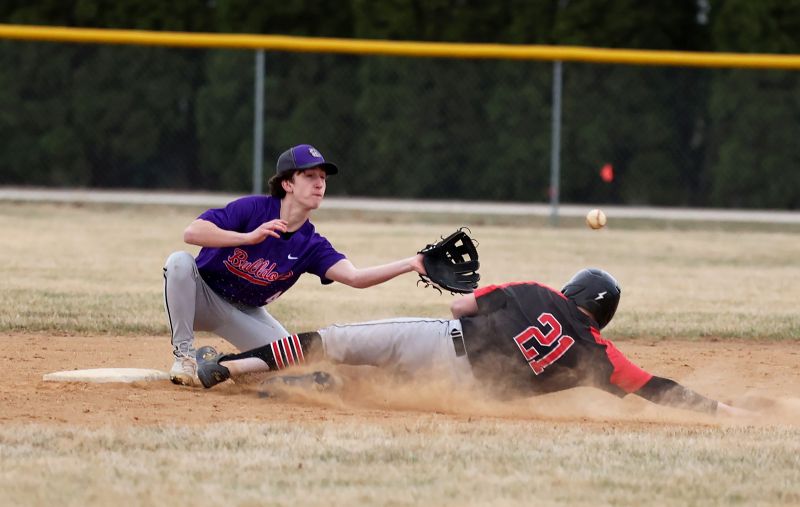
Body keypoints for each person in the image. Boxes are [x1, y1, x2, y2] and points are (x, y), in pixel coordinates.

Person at [195, 268, 752, 417]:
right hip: (466, 391)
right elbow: (654, 388)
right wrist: (721, 409)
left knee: (332, 340)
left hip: (444, 344)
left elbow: (458, 306)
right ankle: (313, 386)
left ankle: (227, 367)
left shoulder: (535, 291)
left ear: (573, 290)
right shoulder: (597, 356)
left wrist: (473, 290)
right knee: (373, 384)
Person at [163, 144, 426, 386]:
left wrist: (411, 263)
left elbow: (355, 278)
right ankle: (184, 357)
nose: (319, 184)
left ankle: (215, 361)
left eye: (323, 178)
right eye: (310, 176)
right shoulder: (254, 209)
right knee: (179, 262)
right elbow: (193, 232)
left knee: (291, 364)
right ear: (288, 183)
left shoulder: (311, 244)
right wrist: (248, 237)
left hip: (243, 315)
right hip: (200, 299)